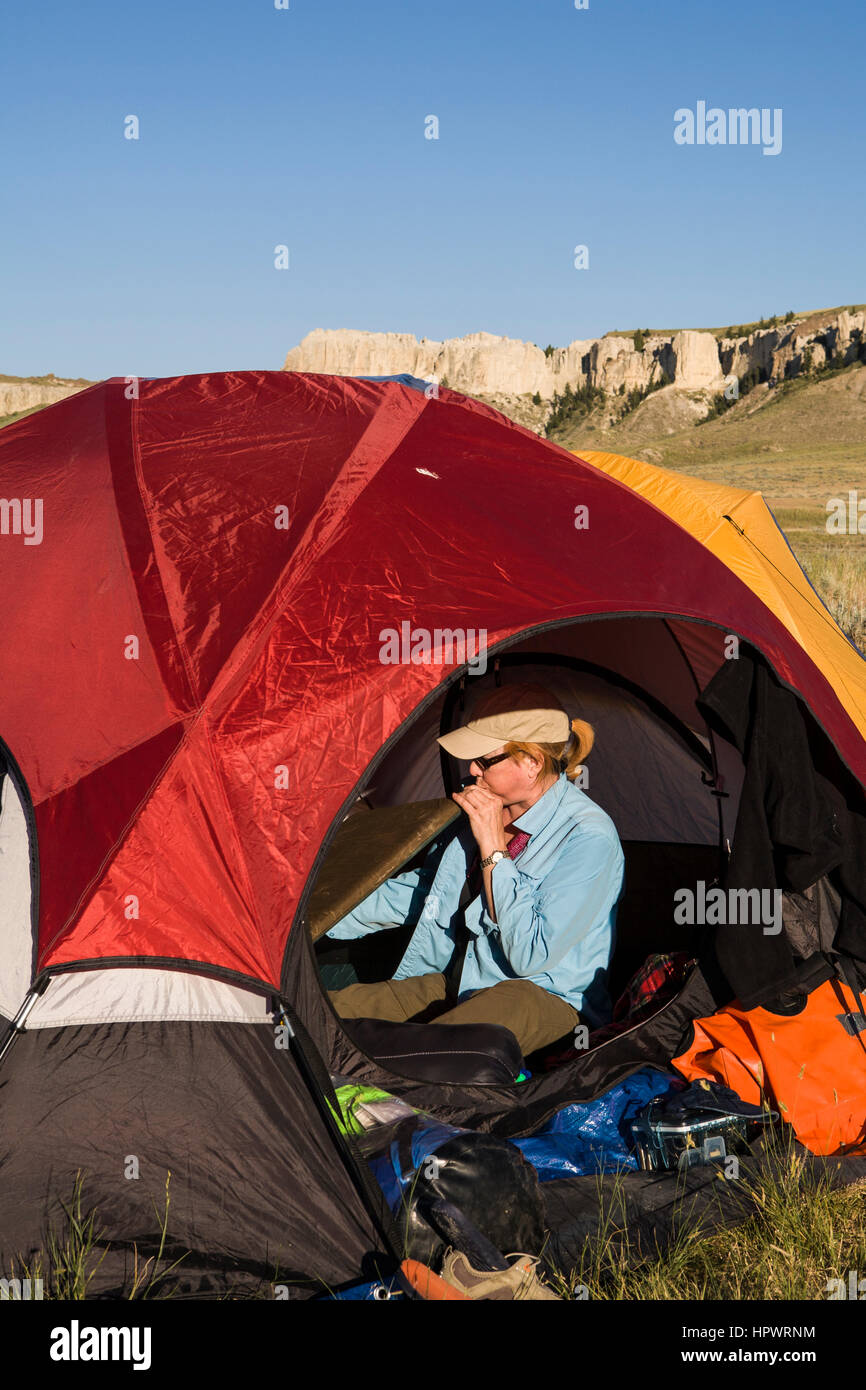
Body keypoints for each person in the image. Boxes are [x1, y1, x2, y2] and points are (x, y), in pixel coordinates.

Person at [325, 683, 625, 1056]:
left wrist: (493, 847)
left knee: (422, 1054)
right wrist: (314, 917)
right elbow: (422, 894)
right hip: (464, 977)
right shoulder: (486, 810)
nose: (471, 770)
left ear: (531, 763)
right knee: (320, 1017)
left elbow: (531, 954)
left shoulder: (588, 836)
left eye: (484, 760)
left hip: (544, 997)